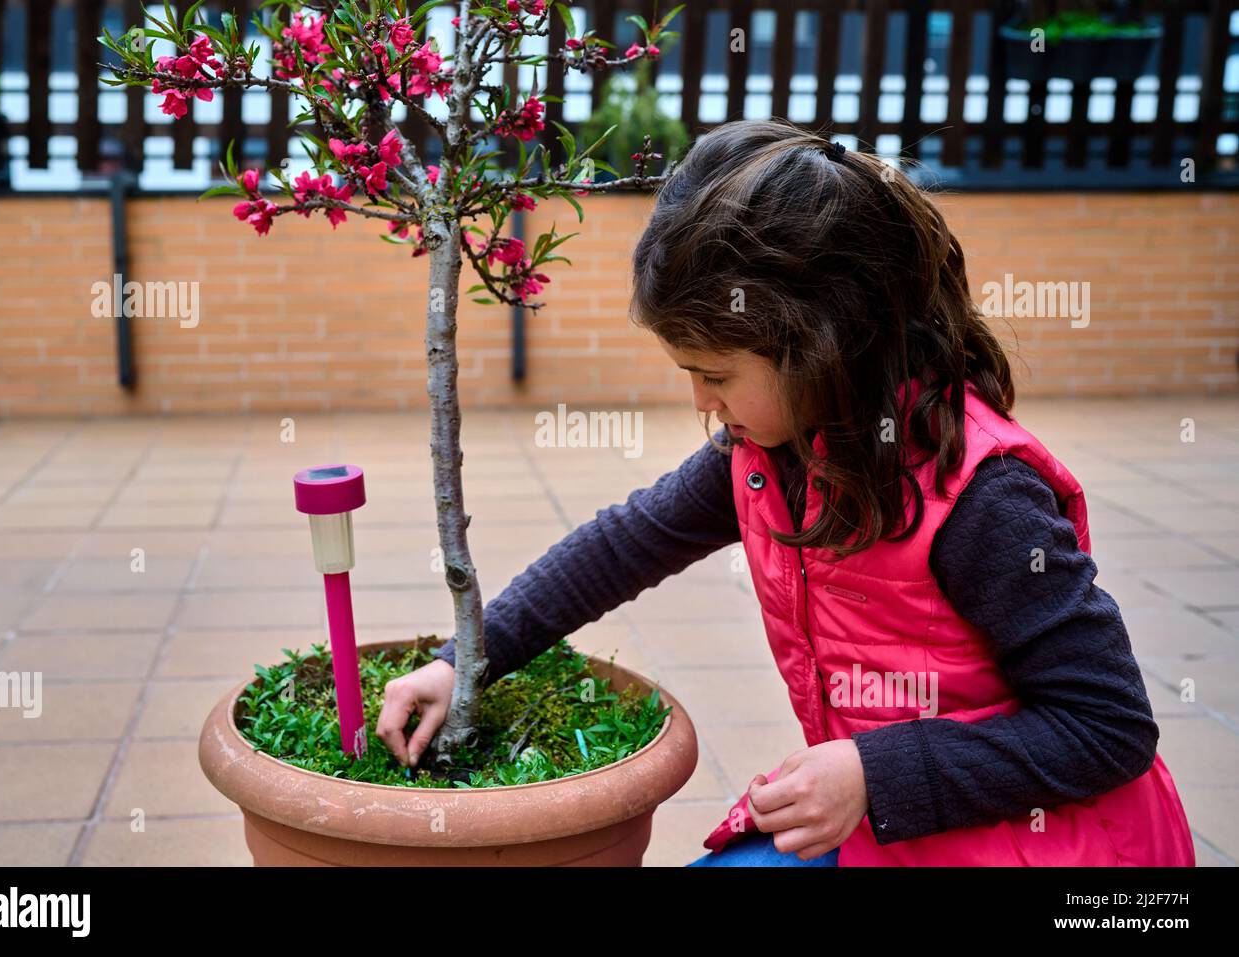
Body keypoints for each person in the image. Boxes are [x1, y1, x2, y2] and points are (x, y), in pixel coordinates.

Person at [375, 119, 1195, 867]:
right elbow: (626, 543)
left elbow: (1107, 725)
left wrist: (874, 771)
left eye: (717, 375)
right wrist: (465, 660)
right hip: (892, 832)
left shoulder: (984, 498)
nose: (701, 402)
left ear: (823, 346)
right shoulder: (771, 448)